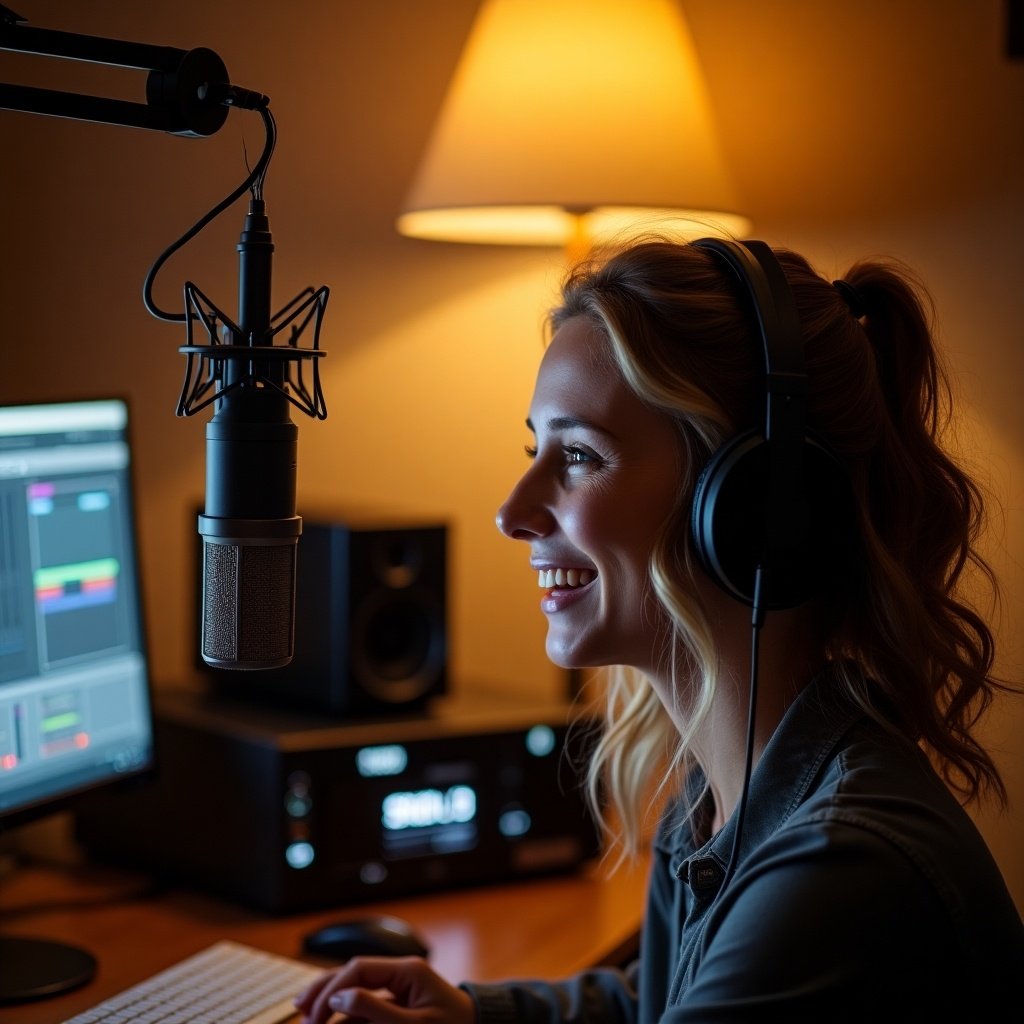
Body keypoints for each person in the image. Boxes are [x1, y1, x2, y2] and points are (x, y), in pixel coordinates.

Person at [295, 237, 1024, 1023]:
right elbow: (664, 1000)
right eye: (534, 448)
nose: (512, 513)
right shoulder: (725, 796)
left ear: (754, 507)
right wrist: (478, 1016)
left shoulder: (837, 869)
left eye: (577, 455)